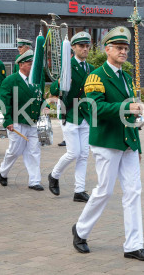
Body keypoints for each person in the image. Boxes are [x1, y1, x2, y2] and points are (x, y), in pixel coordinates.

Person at [72, 26, 144, 261]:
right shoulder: (96, 76)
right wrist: (125, 107)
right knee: (104, 191)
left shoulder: (126, 77)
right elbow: (94, 108)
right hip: (107, 141)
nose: (123, 51)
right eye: (119, 48)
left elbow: (131, 116)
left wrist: (137, 146)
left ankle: (133, 245)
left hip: (127, 142)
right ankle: (80, 230)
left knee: (133, 191)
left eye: (126, 48)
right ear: (107, 49)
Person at [48, 32, 95, 202]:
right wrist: (59, 83)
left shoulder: (91, 69)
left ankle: (79, 190)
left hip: (85, 116)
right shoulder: (67, 66)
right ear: (73, 47)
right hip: (70, 113)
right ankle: (54, 175)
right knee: (73, 152)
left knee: (83, 154)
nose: (85, 49)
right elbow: (54, 89)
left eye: (87, 46)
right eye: (81, 46)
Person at [0, 49, 44, 190]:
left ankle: (34, 181)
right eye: (30, 64)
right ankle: (3, 172)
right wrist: (8, 121)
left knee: (34, 151)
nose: (32, 67)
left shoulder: (35, 80)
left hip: (32, 122)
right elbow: (4, 102)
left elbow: (39, 98)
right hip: (17, 121)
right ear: (21, 64)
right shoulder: (10, 81)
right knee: (14, 151)